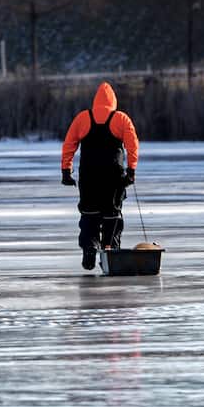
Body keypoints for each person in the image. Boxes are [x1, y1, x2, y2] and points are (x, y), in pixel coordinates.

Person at [61, 81, 139, 270]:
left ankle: (90, 246)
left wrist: (66, 171)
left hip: (89, 176)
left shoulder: (82, 118)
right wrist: (131, 171)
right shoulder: (121, 118)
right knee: (112, 213)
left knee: (89, 214)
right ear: (113, 101)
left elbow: (69, 144)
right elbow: (132, 145)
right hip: (114, 177)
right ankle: (110, 249)